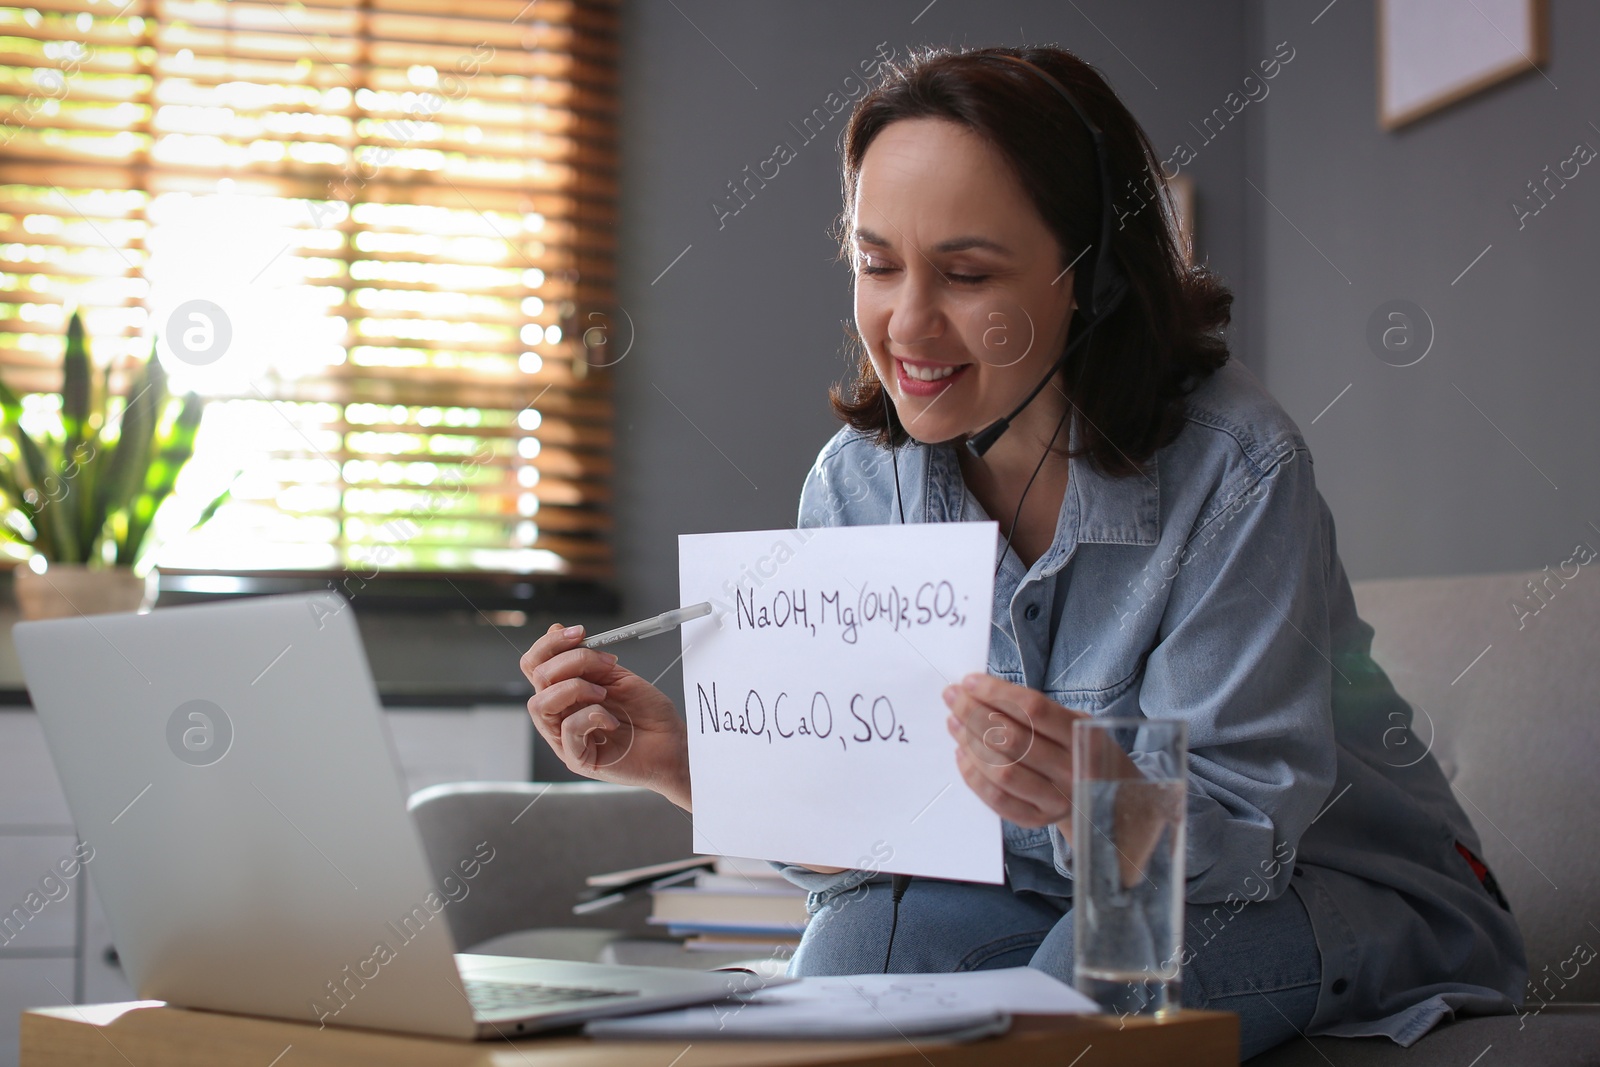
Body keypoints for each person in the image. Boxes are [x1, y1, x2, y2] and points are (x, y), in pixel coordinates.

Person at [520, 44, 1526, 1062]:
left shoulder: (1238, 467)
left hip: (1318, 889)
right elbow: (868, 848)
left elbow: (1248, 847)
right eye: (876, 264)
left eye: (965, 273)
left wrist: (1102, 795)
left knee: (1077, 991)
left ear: (1085, 277)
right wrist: (690, 765)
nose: (905, 322)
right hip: (1040, 889)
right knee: (852, 947)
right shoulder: (856, 480)